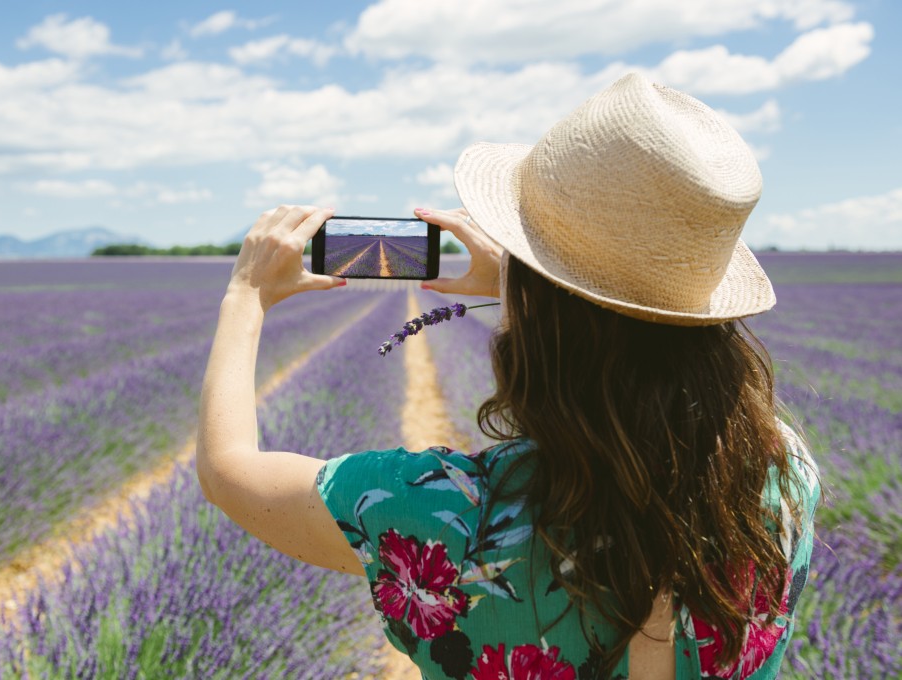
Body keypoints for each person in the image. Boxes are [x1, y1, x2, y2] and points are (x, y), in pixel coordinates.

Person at [196, 73, 820, 680]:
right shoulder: (782, 480)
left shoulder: (447, 518)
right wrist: (546, 290)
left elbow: (229, 472)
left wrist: (246, 296)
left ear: (539, 310)